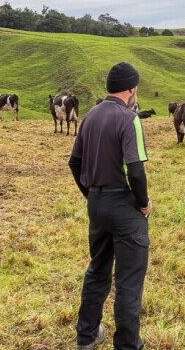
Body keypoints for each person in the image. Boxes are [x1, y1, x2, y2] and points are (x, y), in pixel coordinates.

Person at [68, 61, 153, 350]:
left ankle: (87, 335)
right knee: (129, 280)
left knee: (98, 269)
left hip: (97, 203)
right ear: (132, 89)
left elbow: (74, 162)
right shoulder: (129, 119)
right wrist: (143, 203)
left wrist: (90, 194)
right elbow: (136, 170)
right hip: (124, 206)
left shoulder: (90, 116)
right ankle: (128, 345)